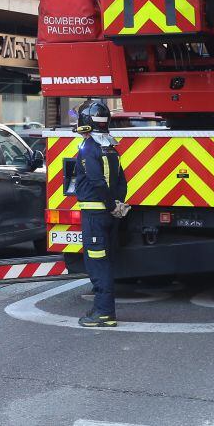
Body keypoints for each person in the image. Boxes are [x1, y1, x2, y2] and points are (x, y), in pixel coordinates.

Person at [73, 99, 128, 328]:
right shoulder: (111, 148)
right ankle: (100, 308)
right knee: (103, 262)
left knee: (97, 264)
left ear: (85, 122)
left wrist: (108, 205)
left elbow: (95, 181)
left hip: (95, 217)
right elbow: (122, 182)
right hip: (107, 215)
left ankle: (104, 313)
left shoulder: (88, 148)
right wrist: (117, 205)